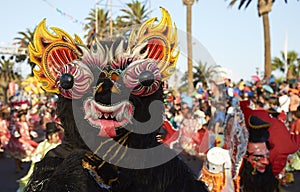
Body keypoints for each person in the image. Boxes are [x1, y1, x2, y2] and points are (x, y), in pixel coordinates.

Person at [17, 122, 62, 192]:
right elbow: (36, 158)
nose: (58, 138)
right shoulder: (42, 145)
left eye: (58, 136)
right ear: (49, 137)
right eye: (56, 136)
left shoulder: (59, 146)